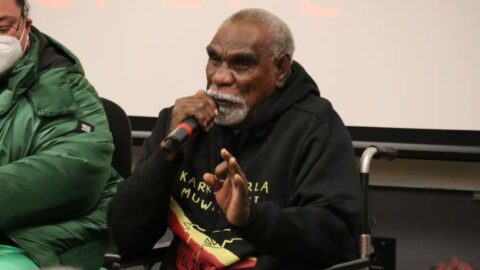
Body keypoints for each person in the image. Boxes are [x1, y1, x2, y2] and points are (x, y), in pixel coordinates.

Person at [108, 8, 361, 269]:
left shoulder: (315, 127)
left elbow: (336, 237)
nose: (220, 77)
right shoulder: (183, 124)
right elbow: (125, 238)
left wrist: (251, 217)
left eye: (242, 63)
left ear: (281, 69)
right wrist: (165, 159)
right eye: (214, 60)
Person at [0, 0, 121, 269]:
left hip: (38, 244)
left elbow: (77, 169)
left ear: (25, 27)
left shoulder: (66, 89)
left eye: (3, 27)